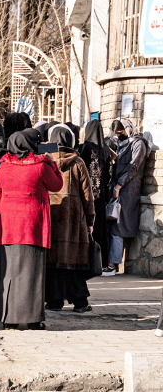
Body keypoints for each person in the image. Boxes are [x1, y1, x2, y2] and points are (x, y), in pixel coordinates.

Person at [0, 129, 63, 330]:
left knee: (9, 273)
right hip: (32, 224)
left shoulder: (2, 167)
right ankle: (31, 319)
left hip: (8, 225)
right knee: (32, 273)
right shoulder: (40, 165)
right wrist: (52, 162)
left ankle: (8, 319)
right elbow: (57, 185)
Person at [45, 124, 95, 313]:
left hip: (51, 215)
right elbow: (87, 194)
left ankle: (54, 302)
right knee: (74, 264)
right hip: (73, 220)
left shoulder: (45, 160)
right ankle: (80, 302)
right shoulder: (78, 162)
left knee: (54, 262)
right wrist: (90, 219)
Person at [104, 118, 151, 276]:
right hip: (118, 188)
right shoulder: (121, 143)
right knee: (113, 224)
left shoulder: (138, 144)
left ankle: (112, 265)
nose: (119, 135)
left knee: (119, 226)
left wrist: (119, 186)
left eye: (121, 132)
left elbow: (134, 167)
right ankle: (112, 263)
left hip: (127, 190)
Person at [79, 120, 114, 267]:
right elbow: (107, 175)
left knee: (87, 227)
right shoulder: (105, 150)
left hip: (86, 195)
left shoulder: (85, 148)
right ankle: (101, 262)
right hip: (101, 196)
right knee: (100, 228)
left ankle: (87, 261)